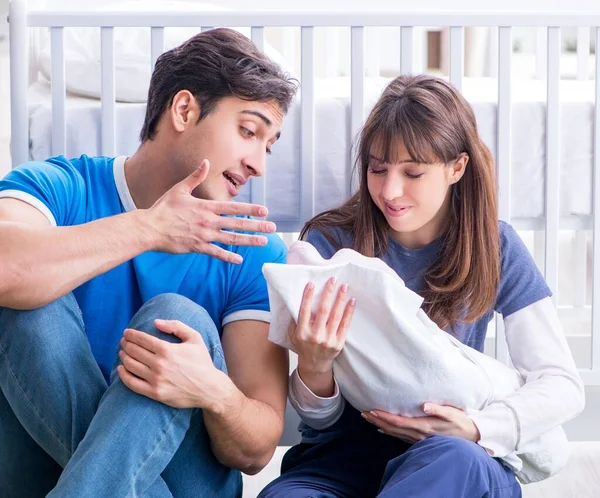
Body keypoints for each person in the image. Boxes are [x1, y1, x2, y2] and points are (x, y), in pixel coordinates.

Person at [0, 28, 297, 497]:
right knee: (28, 302)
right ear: (184, 110)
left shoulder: (254, 248)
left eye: (269, 145)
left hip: (186, 480)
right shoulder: (58, 187)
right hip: (37, 468)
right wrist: (149, 228)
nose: (259, 163)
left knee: (177, 322)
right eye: (248, 131)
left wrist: (209, 390)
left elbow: (257, 448)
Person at [259, 74, 585, 498]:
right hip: (343, 459)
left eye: (413, 172)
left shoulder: (494, 246)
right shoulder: (329, 245)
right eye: (378, 169)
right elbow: (319, 422)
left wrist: (477, 427)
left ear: (457, 168)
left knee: (457, 461)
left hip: (451, 455)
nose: (390, 191)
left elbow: (560, 382)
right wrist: (315, 367)